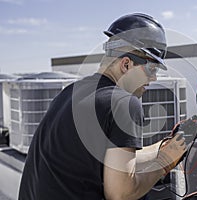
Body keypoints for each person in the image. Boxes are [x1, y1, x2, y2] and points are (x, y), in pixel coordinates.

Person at [18, 13, 187, 200]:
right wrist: (164, 162)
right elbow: (121, 194)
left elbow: (113, 162)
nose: (154, 78)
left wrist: (166, 147)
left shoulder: (69, 94)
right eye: (152, 69)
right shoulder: (123, 103)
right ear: (126, 64)